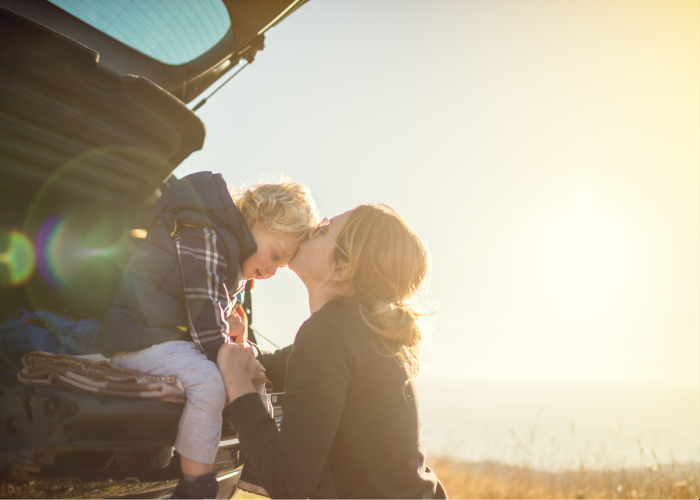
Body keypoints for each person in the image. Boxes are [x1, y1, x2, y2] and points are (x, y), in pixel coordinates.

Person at [95, 171, 318, 499]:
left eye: (280, 266)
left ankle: (259, 466)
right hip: (141, 340)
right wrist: (229, 357)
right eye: (274, 255)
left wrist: (241, 349)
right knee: (209, 381)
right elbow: (203, 314)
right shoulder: (203, 233)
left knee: (253, 373)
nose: (271, 271)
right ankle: (195, 486)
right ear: (255, 219)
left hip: (170, 341)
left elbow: (212, 317)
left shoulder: (230, 255)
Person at [218, 204, 447, 499]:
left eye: (324, 229)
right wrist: (238, 345)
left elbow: (287, 482)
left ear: (342, 268)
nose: (312, 228)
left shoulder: (330, 333)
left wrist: (239, 388)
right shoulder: (357, 330)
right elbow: (277, 365)